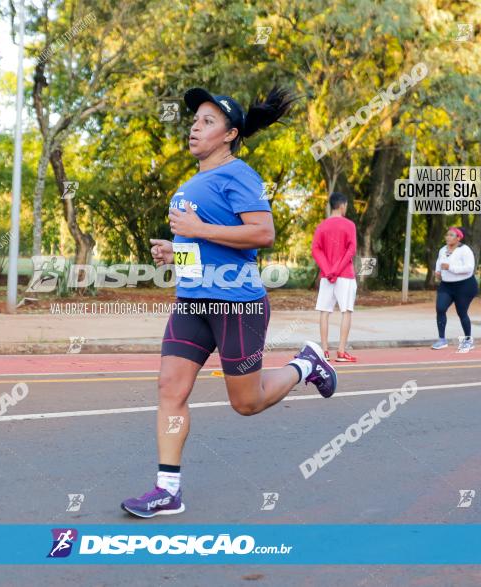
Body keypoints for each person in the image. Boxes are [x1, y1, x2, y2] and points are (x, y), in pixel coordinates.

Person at [121, 86, 337, 519]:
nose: (194, 127)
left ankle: (306, 365)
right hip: (192, 303)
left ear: (229, 134)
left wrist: (197, 230)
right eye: (194, 120)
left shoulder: (240, 175)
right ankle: (168, 490)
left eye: (207, 122)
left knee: (246, 403)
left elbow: (262, 234)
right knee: (170, 388)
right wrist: (174, 251)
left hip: (236, 304)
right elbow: (201, 244)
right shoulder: (192, 183)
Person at [311, 192, 358, 362]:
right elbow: (351, 250)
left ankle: (324, 351)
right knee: (346, 311)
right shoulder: (350, 225)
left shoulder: (321, 226)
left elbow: (315, 249)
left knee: (324, 312)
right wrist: (337, 270)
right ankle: (341, 351)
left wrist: (328, 269)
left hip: (327, 276)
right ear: (343, 205)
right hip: (345, 275)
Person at [432, 226, 478, 352]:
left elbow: (469, 268)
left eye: (451, 235)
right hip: (446, 285)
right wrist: (437, 272)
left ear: (458, 238)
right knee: (440, 308)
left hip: (465, 286)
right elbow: (439, 263)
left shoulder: (465, 250)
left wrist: (450, 268)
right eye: (447, 235)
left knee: (461, 313)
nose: (448, 237)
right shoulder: (442, 250)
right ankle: (442, 340)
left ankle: (468, 340)